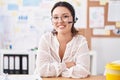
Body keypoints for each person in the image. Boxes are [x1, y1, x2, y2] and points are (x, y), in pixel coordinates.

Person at [34, 1, 90, 78]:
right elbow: (41, 70)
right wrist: (66, 65)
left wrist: (54, 72)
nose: (60, 21)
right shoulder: (46, 39)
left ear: (73, 19)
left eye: (65, 16)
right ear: (52, 21)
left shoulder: (81, 41)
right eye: (56, 17)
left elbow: (83, 71)